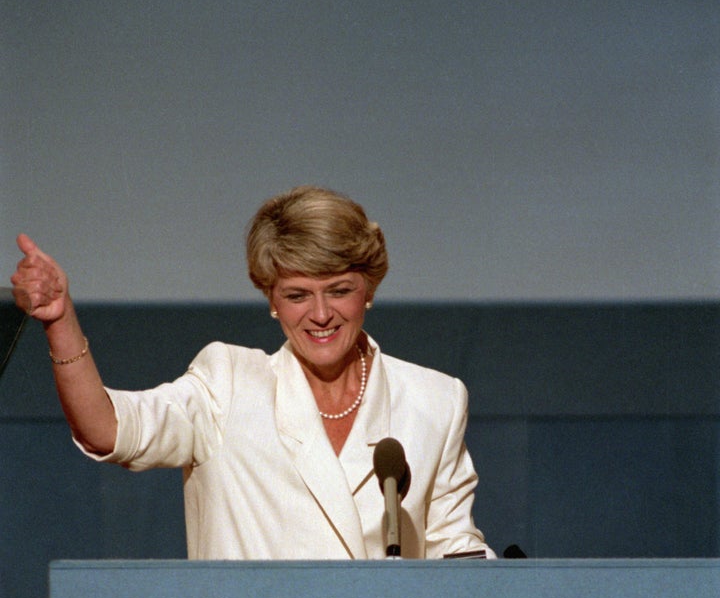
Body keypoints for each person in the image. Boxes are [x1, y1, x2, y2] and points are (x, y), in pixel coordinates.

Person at [11, 185, 494, 560]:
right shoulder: (228, 384)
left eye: (339, 290)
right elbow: (106, 430)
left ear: (369, 289)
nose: (321, 314)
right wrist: (61, 322)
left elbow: (456, 552)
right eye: (297, 294)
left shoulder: (434, 400)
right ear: (271, 300)